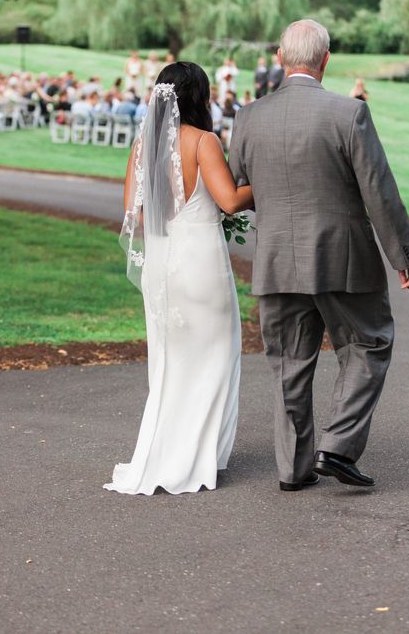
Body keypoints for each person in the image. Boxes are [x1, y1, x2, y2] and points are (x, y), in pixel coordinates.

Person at [228, 19, 409, 491]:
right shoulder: (348, 114)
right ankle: (335, 446)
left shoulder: (249, 117)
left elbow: (238, 183)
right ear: (325, 60)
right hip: (344, 259)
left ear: (279, 57)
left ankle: (292, 471)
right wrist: (403, 253)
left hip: (275, 260)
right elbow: (379, 190)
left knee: (289, 361)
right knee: (369, 342)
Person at [103, 62, 253, 495]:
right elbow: (228, 200)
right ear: (199, 97)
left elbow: (135, 211)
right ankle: (197, 455)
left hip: (163, 263)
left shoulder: (141, 147)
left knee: (171, 362)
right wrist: (262, 183)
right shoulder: (204, 141)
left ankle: (170, 450)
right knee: (216, 357)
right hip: (201, 263)